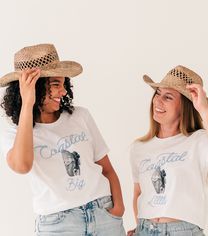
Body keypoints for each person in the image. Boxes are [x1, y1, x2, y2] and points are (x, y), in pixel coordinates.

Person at [0, 43, 126, 236]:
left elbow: (106, 168)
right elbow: (22, 166)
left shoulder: (80, 116)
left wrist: (118, 208)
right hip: (57, 224)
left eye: (64, 84)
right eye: (56, 84)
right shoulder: (16, 133)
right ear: (34, 87)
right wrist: (28, 104)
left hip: (103, 214)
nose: (64, 91)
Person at [127, 65, 208, 236]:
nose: (158, 101)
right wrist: (139, 226)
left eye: (168, 97)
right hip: (145, 229)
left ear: (184, 106)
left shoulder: (198, 140)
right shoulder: (139, 148)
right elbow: (139, 193)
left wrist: (203, 110)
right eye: (157, 94)